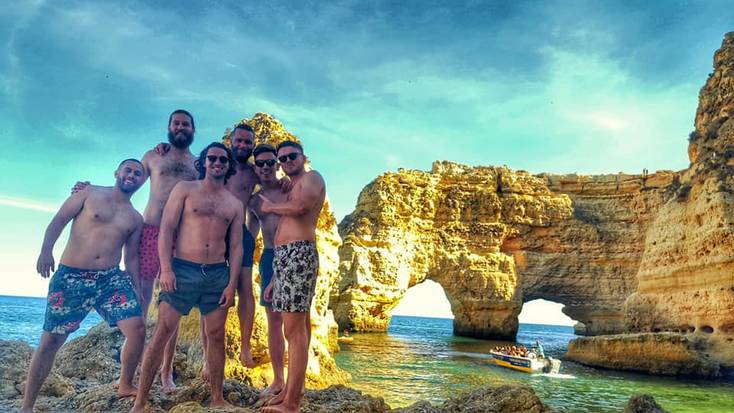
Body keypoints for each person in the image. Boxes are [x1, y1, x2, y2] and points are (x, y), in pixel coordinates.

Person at [74, 109, 198, 393]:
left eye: (186, 124)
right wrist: (92, 188)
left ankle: (166, 372)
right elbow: (127, 184)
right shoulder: (154, 156)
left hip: (181, 236)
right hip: (151, 231)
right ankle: (129, 375)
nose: (181, 127)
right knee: (140, 299)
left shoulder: (197, 164)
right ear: (168, 127)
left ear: (193, 129)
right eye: (176, 123)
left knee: (173, 306)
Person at [22, 160, 148, 413]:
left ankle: (124, 383)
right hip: (71, 277)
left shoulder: (135, 218)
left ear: (142, 181)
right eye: (128, 170)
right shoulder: (88, 193)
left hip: (110, 280)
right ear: (117, 172)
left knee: (137, 329)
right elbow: (59, 220)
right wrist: (46, 251)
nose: (131, 175)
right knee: (51, 341)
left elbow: (131, 256)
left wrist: (136, 287)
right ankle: (27, 406)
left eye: (138, 173)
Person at [131, 143, 244, 413]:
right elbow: (166, 229)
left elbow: (237, 247)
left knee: (216, 336)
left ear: (229, 166)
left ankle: (217, 399)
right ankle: (140, 402)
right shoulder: (185, 190)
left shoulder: (235, 204)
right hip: (183, 270)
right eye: (212, 158)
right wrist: (167, 268)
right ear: (203, 162)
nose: (217, 163)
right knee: (162, 333)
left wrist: (231, 284)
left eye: (222, 159)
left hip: (217, 274)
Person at [260, 140, 326, 413]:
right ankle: (290, 390)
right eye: (282, 159)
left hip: (299, 254)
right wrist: (275, 277)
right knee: (298, 327)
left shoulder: (312, 178)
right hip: (286, 259)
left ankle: (291, 404)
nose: (287, 162)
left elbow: (300, 209)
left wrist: (272, 208)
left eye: (292, 156)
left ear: (303, 156)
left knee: (293, 329)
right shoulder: (292, 186)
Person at [248, 144, 288, 398]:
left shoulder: (291, 188)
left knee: (296, 322)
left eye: (270, 162)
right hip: (269, 257)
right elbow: (250, 236)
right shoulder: (254, 201)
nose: (265, 167)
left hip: (291, 255)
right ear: (255, 167)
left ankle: (297, 379)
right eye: (260, 163)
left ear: (277, 164)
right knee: (274, 322)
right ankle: (278, 379)